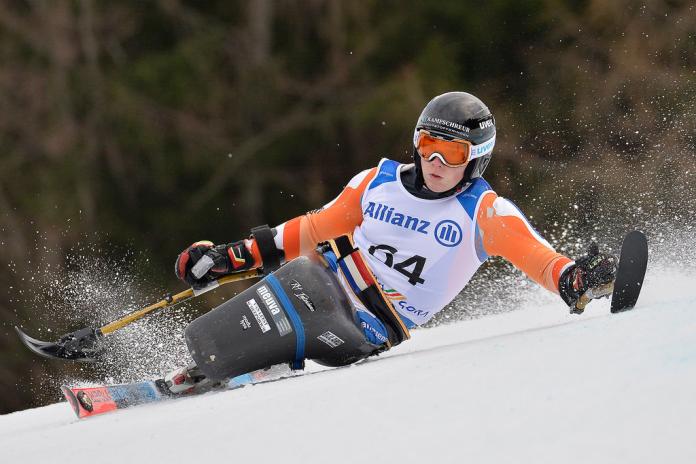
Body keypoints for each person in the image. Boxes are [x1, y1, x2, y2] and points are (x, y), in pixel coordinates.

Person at [168, 91, 617, 392]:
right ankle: (212, 368)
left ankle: (224, 363)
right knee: (301, 274)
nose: (436, 160)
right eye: (427, 143)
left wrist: (574, 279)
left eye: (453, 152)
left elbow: (537, 257)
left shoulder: (485, 213)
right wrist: (229, 257)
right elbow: (311, 229)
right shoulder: (377, 181)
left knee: (303, 290)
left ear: (476, 158)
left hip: (365, 325)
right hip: (313, 282)